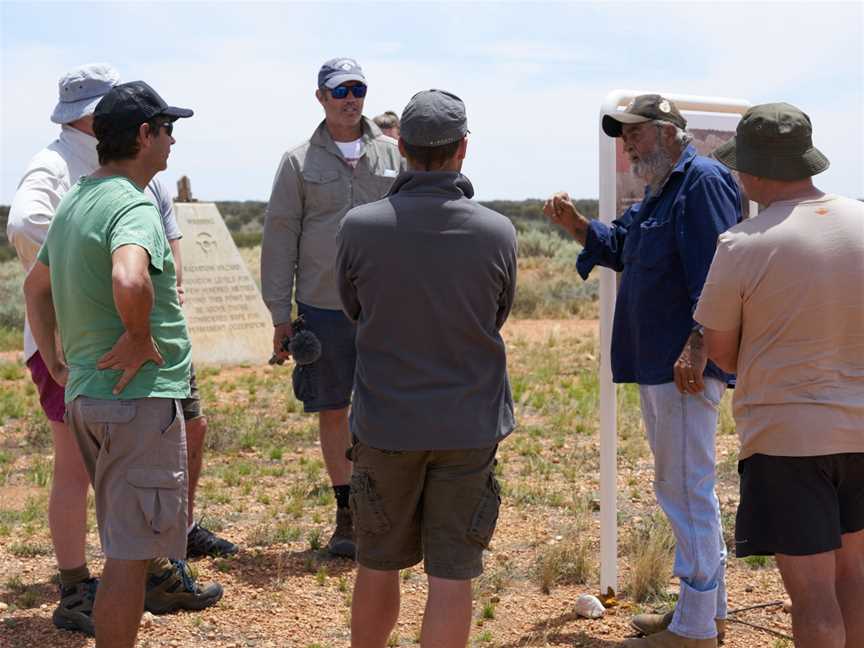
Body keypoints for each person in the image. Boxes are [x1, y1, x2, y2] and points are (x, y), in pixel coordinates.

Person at [6, 64, 226, 636]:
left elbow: (34, 287)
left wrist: (55, 355)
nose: (173, 139)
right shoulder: (132, 205)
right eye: (166, 127)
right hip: (138, 401)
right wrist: (138, 337)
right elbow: (131, 279)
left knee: (121, 549)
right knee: (129, 565)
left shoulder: (78, 198)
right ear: (144, 135)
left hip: (90, 393)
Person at [544, 95, 742, 648]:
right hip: (661, 363)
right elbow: (625, 245)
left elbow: (719, 271)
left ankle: (697, 626)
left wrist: (698, 344)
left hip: (682, 366)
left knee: (684, 489)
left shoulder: (700, 181)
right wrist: (577, 224)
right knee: (685, 487)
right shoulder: (663, 189)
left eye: (635, 134)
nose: (626, 144)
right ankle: (704, 612)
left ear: (667, 132)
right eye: (623, 136)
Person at [337, 89, 517, 648]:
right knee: (451, 576)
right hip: (467, 425)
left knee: (377, 562)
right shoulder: (497, 231)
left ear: (402, 148)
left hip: (386, 423)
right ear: (463, 148)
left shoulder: (360, 226)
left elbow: (352, 307)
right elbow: (498, 313)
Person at [695, 103, 864, 648]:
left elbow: (721, 352)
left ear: (757, 170)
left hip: (787, 439)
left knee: (812, 594)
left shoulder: (742, 244)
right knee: (855, 578)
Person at [261, 57, 404, 558]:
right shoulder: (298, 162)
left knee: (391, 405)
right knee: (333, 409)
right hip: (323, 308)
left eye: (358, 89)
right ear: (320, 96)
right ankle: (347, 512)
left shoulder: (393, 156)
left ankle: (386, 505)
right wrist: (280, 314)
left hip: (388, 308)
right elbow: (280, 238)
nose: (351, 98)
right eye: (340, 90)